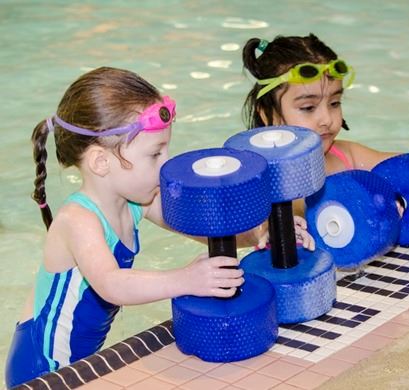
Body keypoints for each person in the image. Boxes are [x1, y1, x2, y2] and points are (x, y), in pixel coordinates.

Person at [4, 67, 313, 388]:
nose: (166, 164)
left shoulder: (139, 201)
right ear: (100, 162)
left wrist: (261, 234)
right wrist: (185, 279)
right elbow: (112, 284)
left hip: (80, 360)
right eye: (154, 154)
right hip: (42, 368)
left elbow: (201, 227)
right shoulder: (77, 220)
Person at [241, 34, 409, 181]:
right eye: (308, 108)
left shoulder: (346, 156)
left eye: (335, 103)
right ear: (270, 116)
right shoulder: (261, 179)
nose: (326, 119)